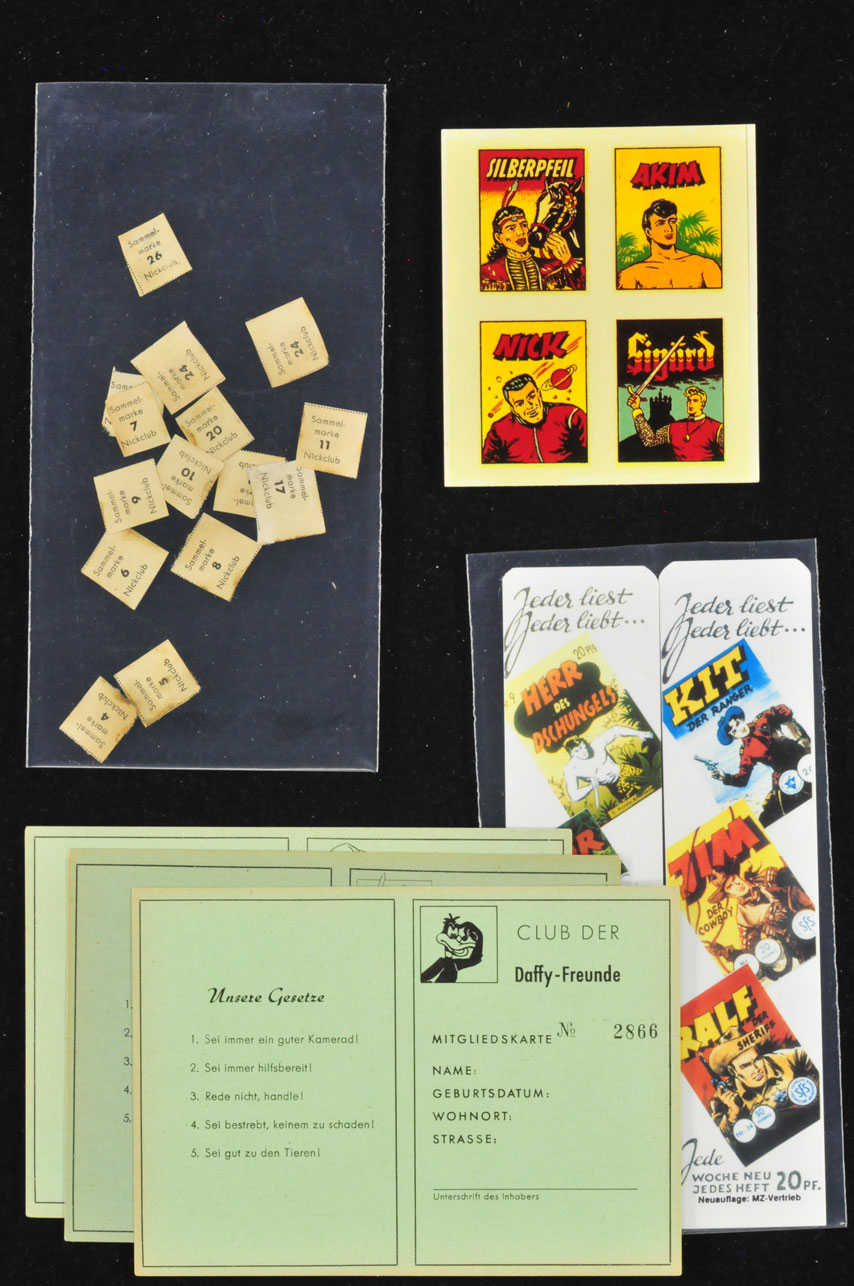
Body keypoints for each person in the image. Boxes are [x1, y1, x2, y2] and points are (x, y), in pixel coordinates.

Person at [712, 704, 812, 826]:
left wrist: (776, 714)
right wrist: (724, 777)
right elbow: (742, 779)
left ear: (741, 720)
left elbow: (785, 711)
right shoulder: (746, 752)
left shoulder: (762, 720)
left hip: (801, 755)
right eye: (734, 731)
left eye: (737, 724)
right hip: (784, 773)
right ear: (734, 737)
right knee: (772, 812)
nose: (739, 729)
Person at [708, 1036, 819, 1144]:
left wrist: (812, 1087)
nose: (756, 1069)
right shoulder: (722, 1098)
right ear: (733, 1071)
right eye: (745, 1066)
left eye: (757, 1060)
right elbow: (722, 1142)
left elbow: (819, 1059)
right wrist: (733, 1115)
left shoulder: (786, 1058)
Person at [704, 865, 815, 966]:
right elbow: (750, 951)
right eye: (729, 886)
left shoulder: (768, 876)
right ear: (729, 895)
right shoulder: (743, 917)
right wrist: (727, 953)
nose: (736, 885)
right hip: (799, 945)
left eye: (734, 879)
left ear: (737, 875)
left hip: (812, 916)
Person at [617, 198, 722, 289]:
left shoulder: (705, 266)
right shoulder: (631, 274)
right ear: (648, 232)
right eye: (660, 223)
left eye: (672, 221)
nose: (669, 228)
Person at [482, 373, 587, 463]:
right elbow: (486, 467)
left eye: (531, 397)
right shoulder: (499, 430)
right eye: (520, 403)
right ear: (513, 410)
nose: (529, 406)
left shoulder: (571, 416)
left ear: (539, 394)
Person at [481, 205, 583, 291]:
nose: (520, 232)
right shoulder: (487, 273)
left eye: (524, 225)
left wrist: (568, 261)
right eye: (511, 228)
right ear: (498, 238)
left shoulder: (550, 267)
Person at [563, 725, 654, 810]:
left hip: (625, 772)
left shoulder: (596, 744)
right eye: (577, 751)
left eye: (582, 747)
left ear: (584, 743)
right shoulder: (571, 769)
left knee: (652, 791)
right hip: (615, 788)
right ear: (571, 754)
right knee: (637, 807)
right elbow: (574, 796)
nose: (583, 752)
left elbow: (616, 730)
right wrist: (591, 786)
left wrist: (639, 733)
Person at [626, 385, 723, 461]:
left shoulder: (717, 428)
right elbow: (650, 440)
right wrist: (636, 409)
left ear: (702, 404)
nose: (690, 403)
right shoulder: (674, 427)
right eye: (689, 400)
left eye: (695, 400)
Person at [421, 915, 484, 982]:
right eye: (453, 927)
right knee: (446, 968)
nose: (455, 931)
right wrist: (471, 944)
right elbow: (456, 946)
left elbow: (459, 949)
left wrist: (473, 941)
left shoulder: (452, 939)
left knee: (450, 968)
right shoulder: (442, 936)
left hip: (450, 963)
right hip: (448, 963)